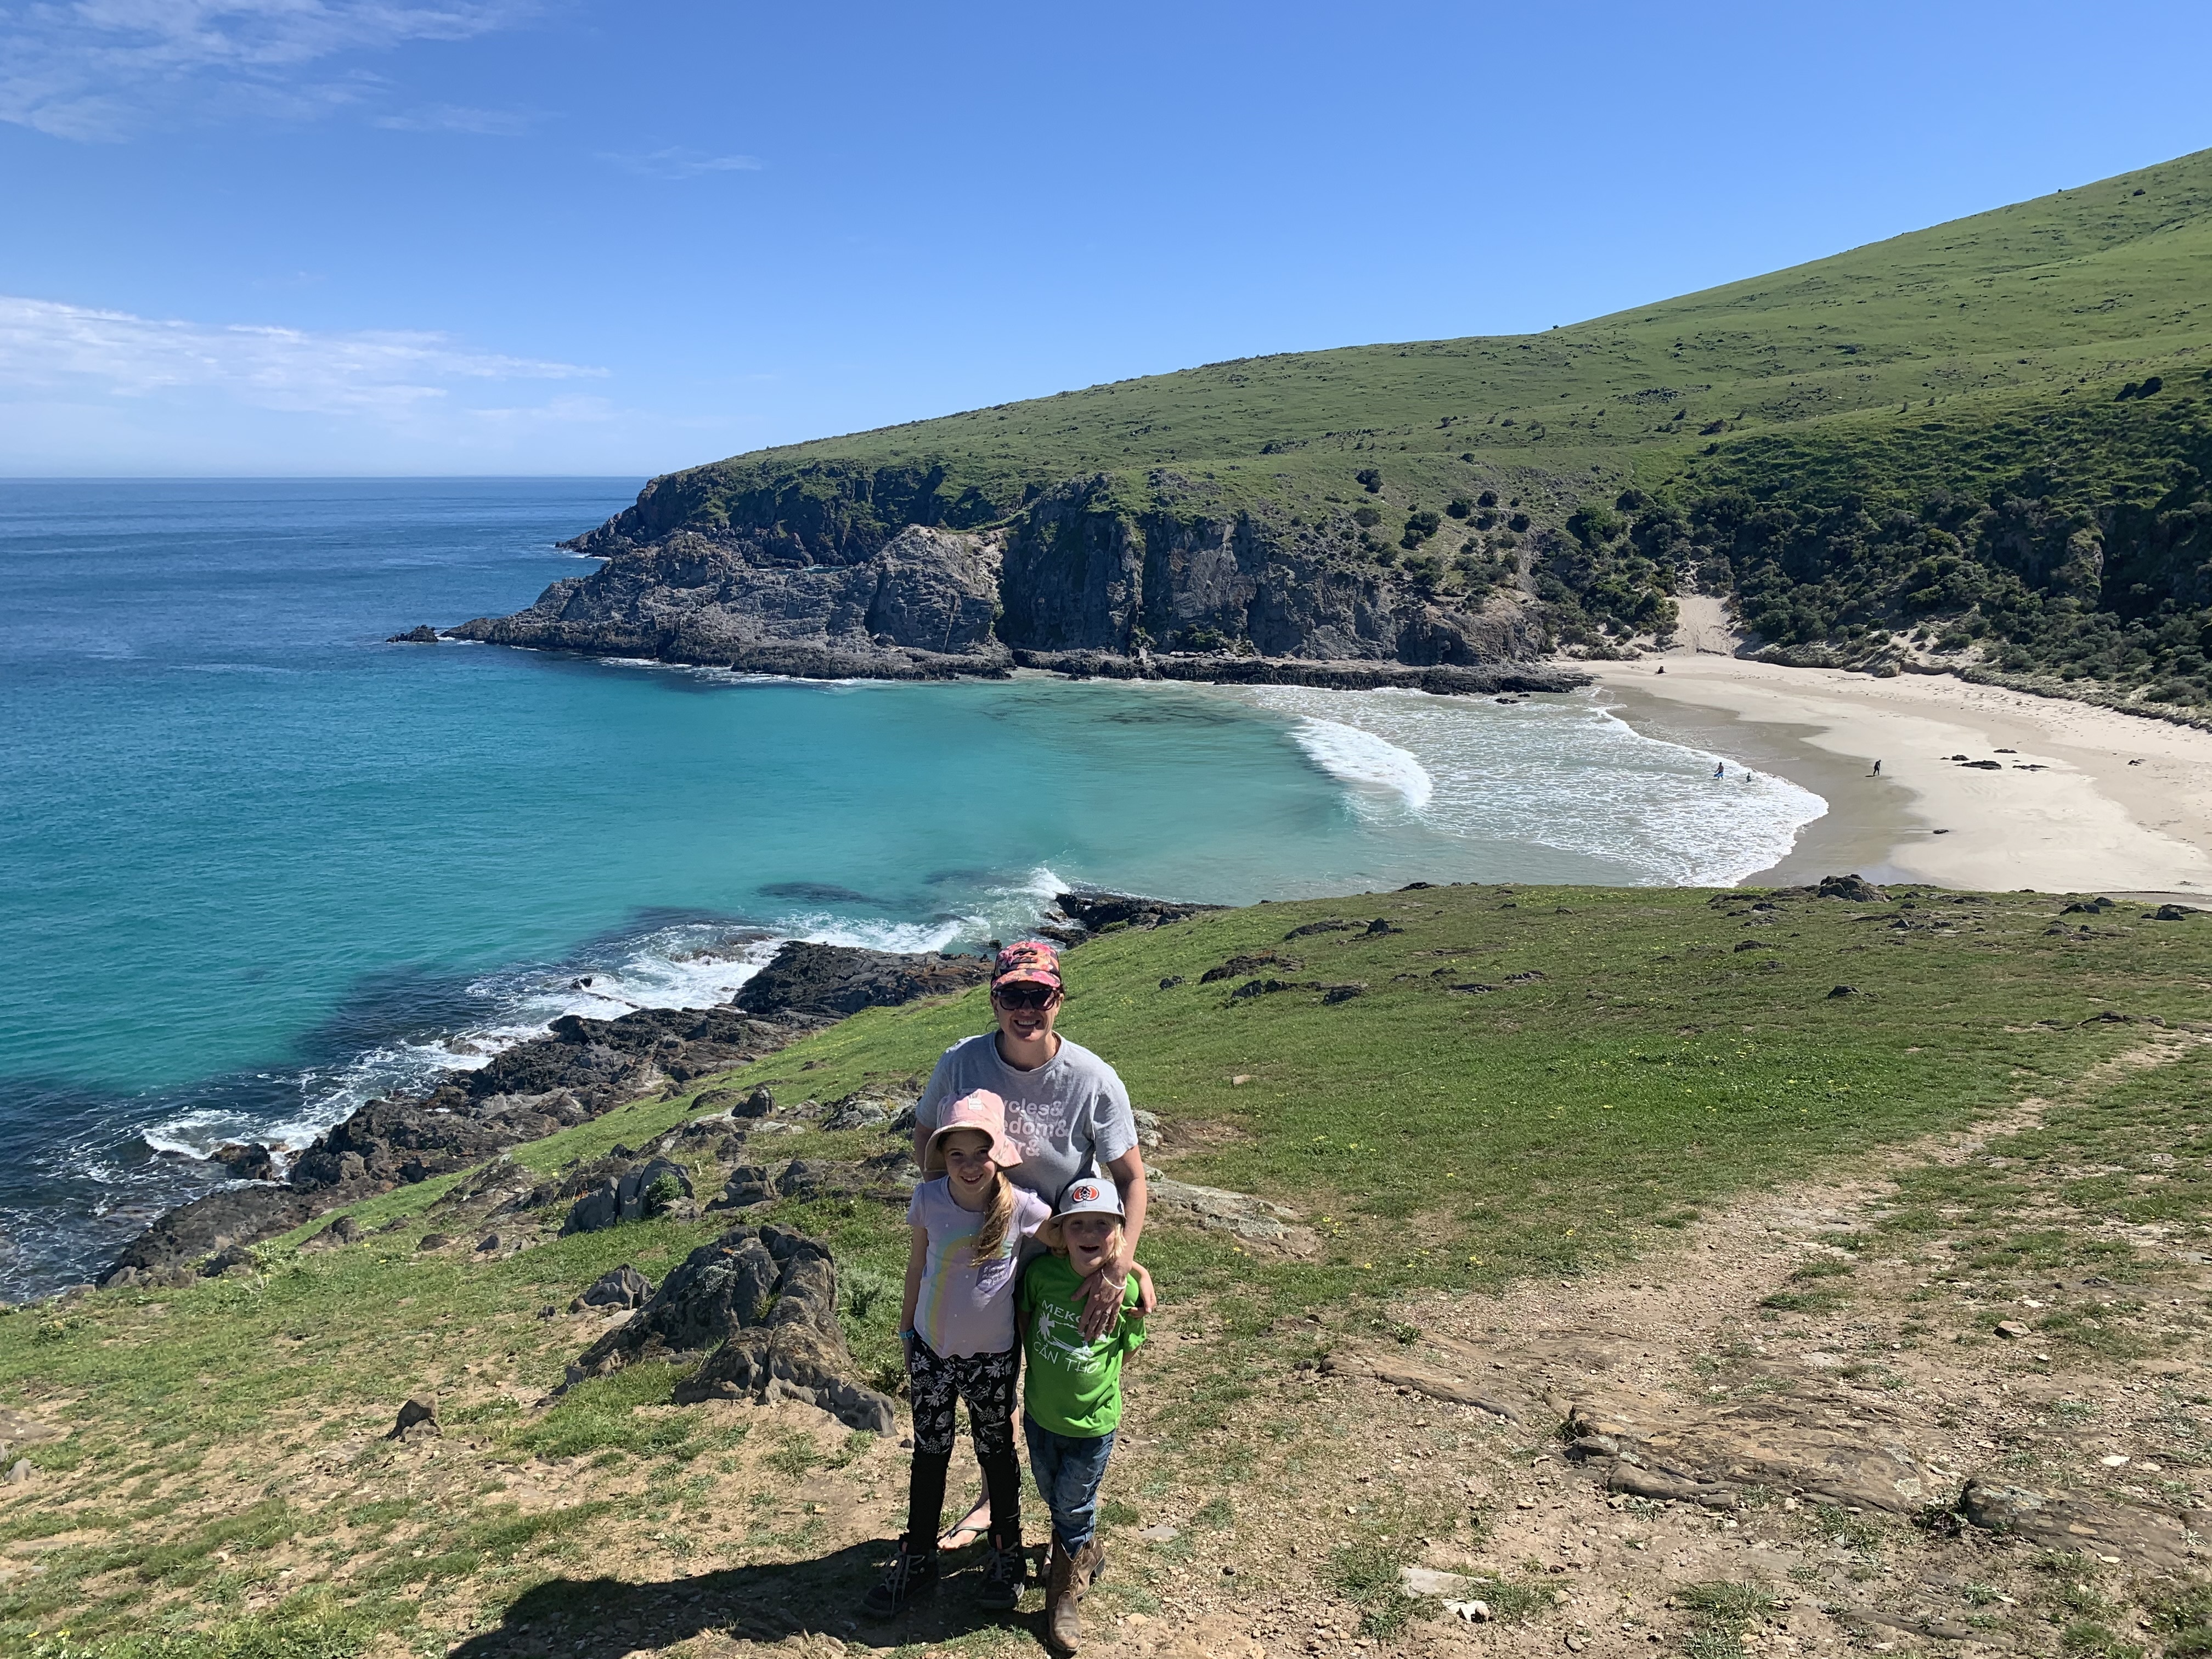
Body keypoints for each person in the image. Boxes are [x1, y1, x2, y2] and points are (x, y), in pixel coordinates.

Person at [913, 938, 1154, 1548]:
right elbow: (927, 1149)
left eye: (1039, 995)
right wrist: (954, 1219)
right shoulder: (960, 1063)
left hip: (1056, 1257)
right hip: (982, 1260)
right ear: (993, 1000)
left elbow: (1131, 1178)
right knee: (996, 1388)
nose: (1027, 1009)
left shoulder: (1093, 1078)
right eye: (1012, 995)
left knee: (1055, 1380)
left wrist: (1118, 1264)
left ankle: (1070, 1523)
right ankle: (998, 1502)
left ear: (1059, 999)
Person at [864, 1088, 1052, 1619]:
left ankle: (1007, 1553)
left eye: (980, 1154)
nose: (969, 1167)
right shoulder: (928, 1201)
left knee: (997, 1452)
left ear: (1000, 1155)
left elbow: (1077, 1240)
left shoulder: (1022, 1208)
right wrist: (906, 1335)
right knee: (930, 1452)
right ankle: (919, 1555)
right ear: (941, 1156)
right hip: (930, 1351)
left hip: (992, 1359)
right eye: (956, 1155)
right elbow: (915, 1269)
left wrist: (1129, 1267)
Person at [1020, 1176, 1154, 1654]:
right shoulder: (1041, 1278)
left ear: (1119, 1231)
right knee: (1054, 1495)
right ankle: (1086, 1550)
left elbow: (1127, 1351)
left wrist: (1093, 1386)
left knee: (1073, 1506)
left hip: (1094, 1424)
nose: (1090, 1232)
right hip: (1039, 1415)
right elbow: (1024, 1322)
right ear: (1062, 1233)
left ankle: (1062, 1597)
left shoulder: (1128, 1291)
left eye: (1102, 1223)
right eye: (1078, 1224)